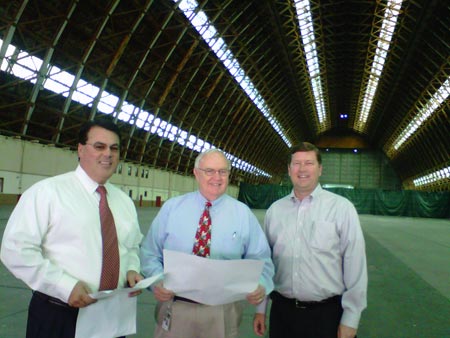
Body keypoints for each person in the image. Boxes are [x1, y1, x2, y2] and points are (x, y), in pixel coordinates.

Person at [0, 119, 143, 338]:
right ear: (80, 149)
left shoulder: (124, 202)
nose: (108, 154)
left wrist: (132, 269)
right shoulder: (47, 193)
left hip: (111, 313)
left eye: (114, 148)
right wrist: (63, 285)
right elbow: (15, 250)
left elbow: (131, 246)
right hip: (59, 314)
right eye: (99, 146)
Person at [140, 148, 275, 338]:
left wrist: (260, 284)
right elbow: (149, 253)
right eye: (209, 171)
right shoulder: (171, 209)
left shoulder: (243, 214)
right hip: (176, 307)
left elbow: (262, 260)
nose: (216, 177)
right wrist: (157, 282)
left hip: (222, 312)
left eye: (222, 171)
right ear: (196, 173)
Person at [254, 142, 367, 338]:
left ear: (320, 169)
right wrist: (261, 309)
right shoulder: (275, 211)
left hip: (326, 316)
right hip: (282, 314)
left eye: (309, 163)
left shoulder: (341, 208)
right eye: (296, 163)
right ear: (289, 170)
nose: (302, 169)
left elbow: (355, 265)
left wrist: (351, 318)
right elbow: (265, 264)